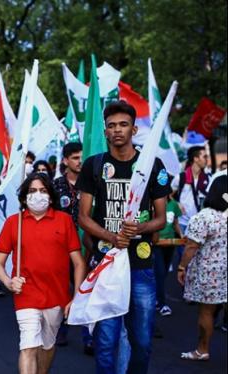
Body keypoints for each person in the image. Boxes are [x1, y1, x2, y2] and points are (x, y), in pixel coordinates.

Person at [76, 100, 171, 373]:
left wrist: (138, 229)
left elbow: (161, 219)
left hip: (140, 266)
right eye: (112, 126)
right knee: (105, 341)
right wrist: (112, 236)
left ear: (134, 129)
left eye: (123, 125)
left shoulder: (152, 164)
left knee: (141, 341)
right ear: (105, 131)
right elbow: (83, 217)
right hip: (105, 264)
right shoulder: (94, 165)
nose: (117, 130)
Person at [0, 173, 86, 374]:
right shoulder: (13, 223)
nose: (38, 195)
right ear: (24, 197)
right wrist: (8, 282)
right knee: (28, 346)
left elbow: (78, 263)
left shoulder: (64, 221)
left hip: (57, 296)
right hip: (26, 294)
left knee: (47, 345)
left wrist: (77, 295)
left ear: (51, 196)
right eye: (32, 191)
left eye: (43, 191)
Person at [177, 175, 227, 361]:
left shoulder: (204, 217)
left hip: (209, 272)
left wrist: (181, 267)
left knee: (207, 312)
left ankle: (202, 350)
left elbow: (191, 246)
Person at [52, 142, 91, 351]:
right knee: (63, 290)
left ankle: (88, 336)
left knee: (85, 289)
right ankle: (61, 329)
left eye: (82, 157)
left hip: (87, 246)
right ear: (66, 160)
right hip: (62, 247)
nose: (80, 161)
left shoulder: (91, 184)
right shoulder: (56, 186)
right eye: (75, 157)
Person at [153, 178, 183, 317]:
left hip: (170, 243)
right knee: (159, 272)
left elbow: (176, 223)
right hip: (157, 244)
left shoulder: (173, 205)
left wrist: (181, 235)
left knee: (164, 272)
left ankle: (156, 297)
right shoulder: (152, 203)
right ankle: (161, 303)